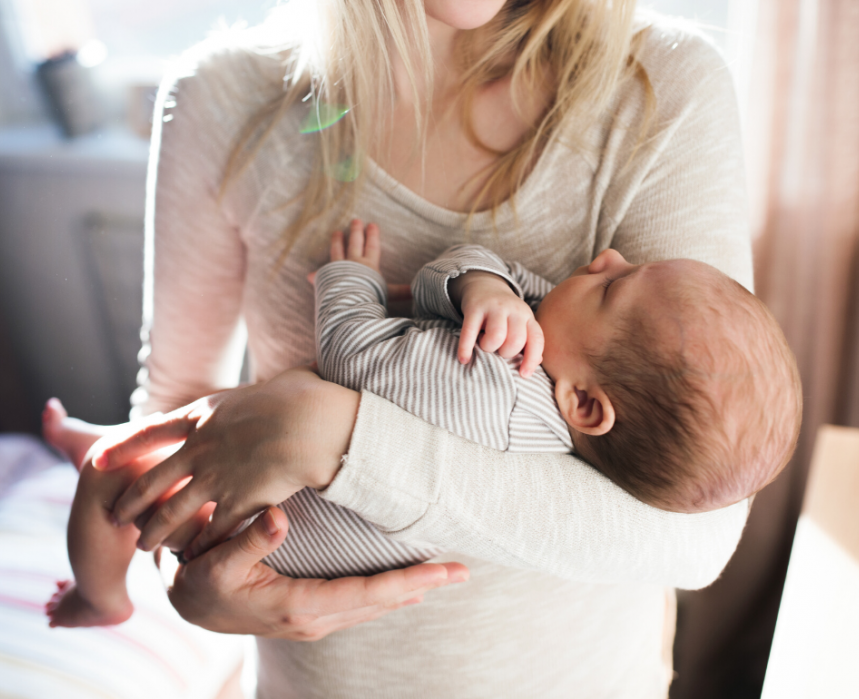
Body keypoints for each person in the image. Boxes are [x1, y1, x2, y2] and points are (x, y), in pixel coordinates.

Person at [66, 1, 763, 695]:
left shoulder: (659, 87)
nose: (606, 261)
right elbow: (171, 412)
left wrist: (330, 437)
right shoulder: (224, 99)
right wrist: (190, 587)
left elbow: (698, 535)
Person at [42, 218, 799, 619]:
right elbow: (479, 276)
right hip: (263, 467)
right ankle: (116, 437)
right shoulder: (552, 368)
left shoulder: (496, 399)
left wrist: (350, 281)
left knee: (108, 479)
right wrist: (481, 286)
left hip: (242, 524)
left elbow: (351, 361)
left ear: (585, 407)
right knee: (162, 435)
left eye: (613, 286)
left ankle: (100, 596)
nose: (604, 255)